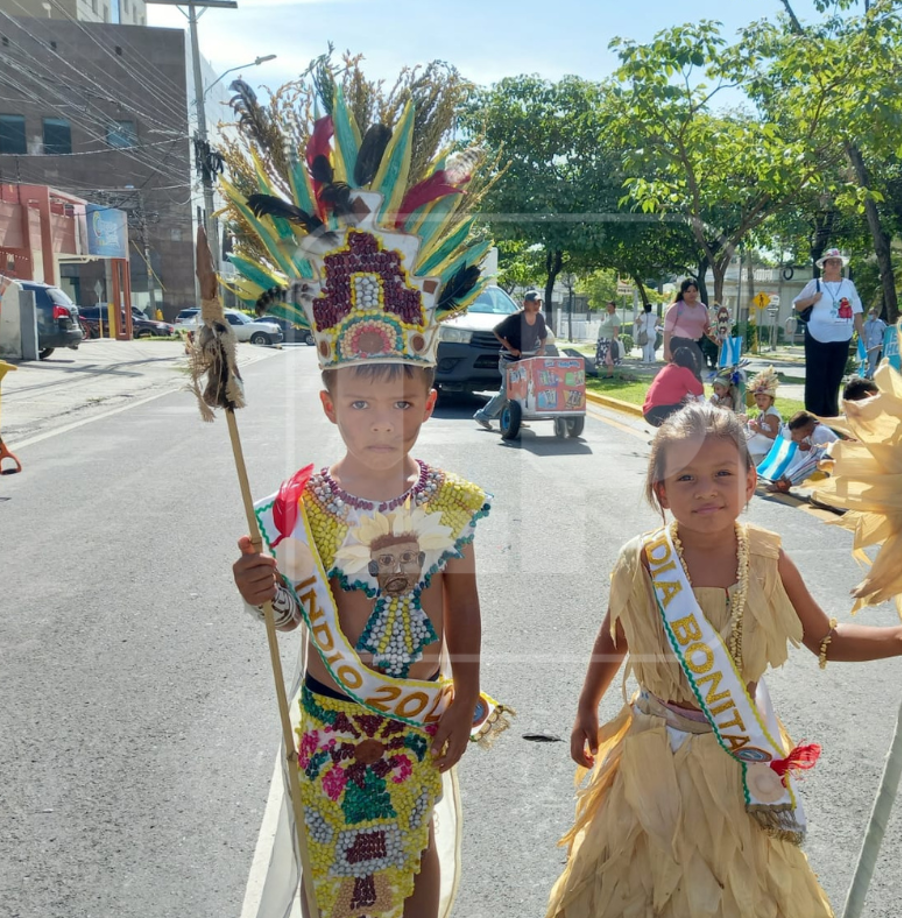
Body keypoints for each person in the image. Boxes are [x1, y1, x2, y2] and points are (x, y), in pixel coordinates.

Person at [226, 111, 511, 918]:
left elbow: (462, 601)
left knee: (414, 849)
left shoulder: (450, 501)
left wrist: (466, 697)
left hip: (419, 711)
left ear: (426, 403)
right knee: (331, 866)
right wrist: (259, 591)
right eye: (360, 401)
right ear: (329, 404)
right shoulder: (297, 502)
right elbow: (288, 617)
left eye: (399, 401)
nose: (381, 419)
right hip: (332, 710)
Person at [545, 403, 902, 918]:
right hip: (652, 752)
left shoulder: (767, 559)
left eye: (723, 474)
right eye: (686, 477)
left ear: (749, 481)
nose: (706, 490)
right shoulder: (642, 561)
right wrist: (587, 707)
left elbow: (824, 638)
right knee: (637, 880)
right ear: (661, 491)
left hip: (738, 756)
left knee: (738, 885)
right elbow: (615, 636)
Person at [793, 248, 865, 418]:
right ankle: (812, 415)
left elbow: (857, 311)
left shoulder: (848, 285)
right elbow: (797, 304)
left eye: (838, 262)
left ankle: (830, 415)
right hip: (817, 335)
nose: (835, 265)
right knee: (816, 377)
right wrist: (812, 299)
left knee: (834, 378)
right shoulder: (815, 284)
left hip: (842, 336)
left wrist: (862, 334)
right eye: (831, 262)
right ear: (824, 265)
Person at [473, 289, 547, 429]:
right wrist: (511, 348)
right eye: (534, 302)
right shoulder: (515, 318)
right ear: (525, 303)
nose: (537, 305)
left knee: (524, 390)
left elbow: (543, 335)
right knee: (507, 391)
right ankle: (482, 416)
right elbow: (497, 331)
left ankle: (516, 418)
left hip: (526, 360)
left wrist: (542, 348)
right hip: (509, 360)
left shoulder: (539, 318)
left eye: (539, 302)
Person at [768, 410, 839, 493]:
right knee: (803, 452)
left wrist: (809, 448)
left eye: (795, 433)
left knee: (815, 461)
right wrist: (808, 448)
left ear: (807, 431)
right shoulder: (811, 431)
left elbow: (823, 455)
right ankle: (785, 477)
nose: (792, 436)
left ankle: (788, 482)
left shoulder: (819, 434)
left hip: (839, 461)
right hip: (830, 458)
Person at [663, 280, 714, 379]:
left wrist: (720, 341)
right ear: (683, 292)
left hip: (696, 344)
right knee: (679, 375)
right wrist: (666, 350)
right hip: (679, 345)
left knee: (695, 374)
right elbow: (667, 330)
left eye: (694, 291)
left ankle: (695, 394)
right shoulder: (676, 307)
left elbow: (708, 329)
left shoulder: (702, 308)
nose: (692, 294)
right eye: (688, 291)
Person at [642, 346, 704, 427]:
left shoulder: (666, 368)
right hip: (661, 411)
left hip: (649, 412)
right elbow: (699, 390)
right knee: (692, 412)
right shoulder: (683, 371)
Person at [744, 365, 782, 463]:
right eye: (758, 399)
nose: (760, 402)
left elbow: (776, 436)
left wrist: (759, 429)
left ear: (771, 400)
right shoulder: (763, 412)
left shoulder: (772, 416)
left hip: (767, 449)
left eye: (764, 399)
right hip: (760, 445)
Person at [595, 300, 624, 377]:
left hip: (608, 340)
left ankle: (609, 374)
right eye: (607, 306)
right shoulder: (608, 316)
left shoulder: (615, 317)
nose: (608, 308)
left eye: (610, 307)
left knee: (609, 356)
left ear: (614, 308)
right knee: (604, 357)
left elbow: (616, 330)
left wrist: (614, 341)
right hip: (603, 339)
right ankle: (605, 372)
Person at [862, 307, 887, 378]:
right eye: (869, 313)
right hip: (867, 345)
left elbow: (886, 332)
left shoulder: (880, 323)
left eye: (871, 313)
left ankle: (867, 376)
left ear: (875, 314)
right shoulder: (866, 323)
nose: (869, 315)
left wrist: (882, 342)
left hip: (875, 346)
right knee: (867, 361)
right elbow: (862, 332)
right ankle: (871, 376)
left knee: (872, 362)